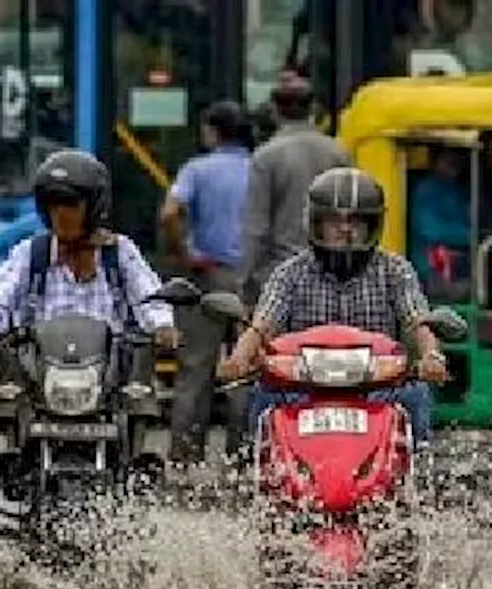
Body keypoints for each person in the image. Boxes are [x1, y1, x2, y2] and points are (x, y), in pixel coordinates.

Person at [219, 167, 448, 446]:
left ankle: (417, 475)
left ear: (372, 225)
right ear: (316, 223)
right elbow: (263, 323)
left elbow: (417, 320)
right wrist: (239, 357)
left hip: (376, 386)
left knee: (417, 395)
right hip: (302, 388)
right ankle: (259, 472)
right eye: (334, 221)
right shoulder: (290, 272)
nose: (345, 229)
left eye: (356, 221)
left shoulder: (395, 270)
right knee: (259, 397)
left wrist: (432, 356)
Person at [0, 150, 177, 389]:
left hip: (109, 380)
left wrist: (162, 325)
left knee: (140, 401)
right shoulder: (32, 253)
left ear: (94, 206)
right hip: (41, 379)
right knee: (9, 400)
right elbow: (0, 294)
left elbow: (149, 294)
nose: (61, 213)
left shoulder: (119, 252)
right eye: (53, 205)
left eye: (70, 203)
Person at [159, 99, 251, 464]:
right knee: (246, 368)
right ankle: (241, 455)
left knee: (195, 367)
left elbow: (170, 212)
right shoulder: (259, 168)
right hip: (250, 280)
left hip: (207, 276)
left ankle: (185, 454)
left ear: (213, 131)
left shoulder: (197, 169)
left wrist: (184, 254)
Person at [239, 72, 348, 309]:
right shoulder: (338, 153)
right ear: (313, 109)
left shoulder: (266, 156)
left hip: (281, 279)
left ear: (274, 110)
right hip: (333, 274)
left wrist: (244, 283)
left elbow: (256, 228)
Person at [409, 145, 472, 296]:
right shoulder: (426, 189)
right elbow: (431, 230)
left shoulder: (457, 190)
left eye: (457, 159)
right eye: (448, 159)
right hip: (430, 267)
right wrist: (471, 235)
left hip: (457, 262)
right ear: (436, 161)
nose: (454, 163)